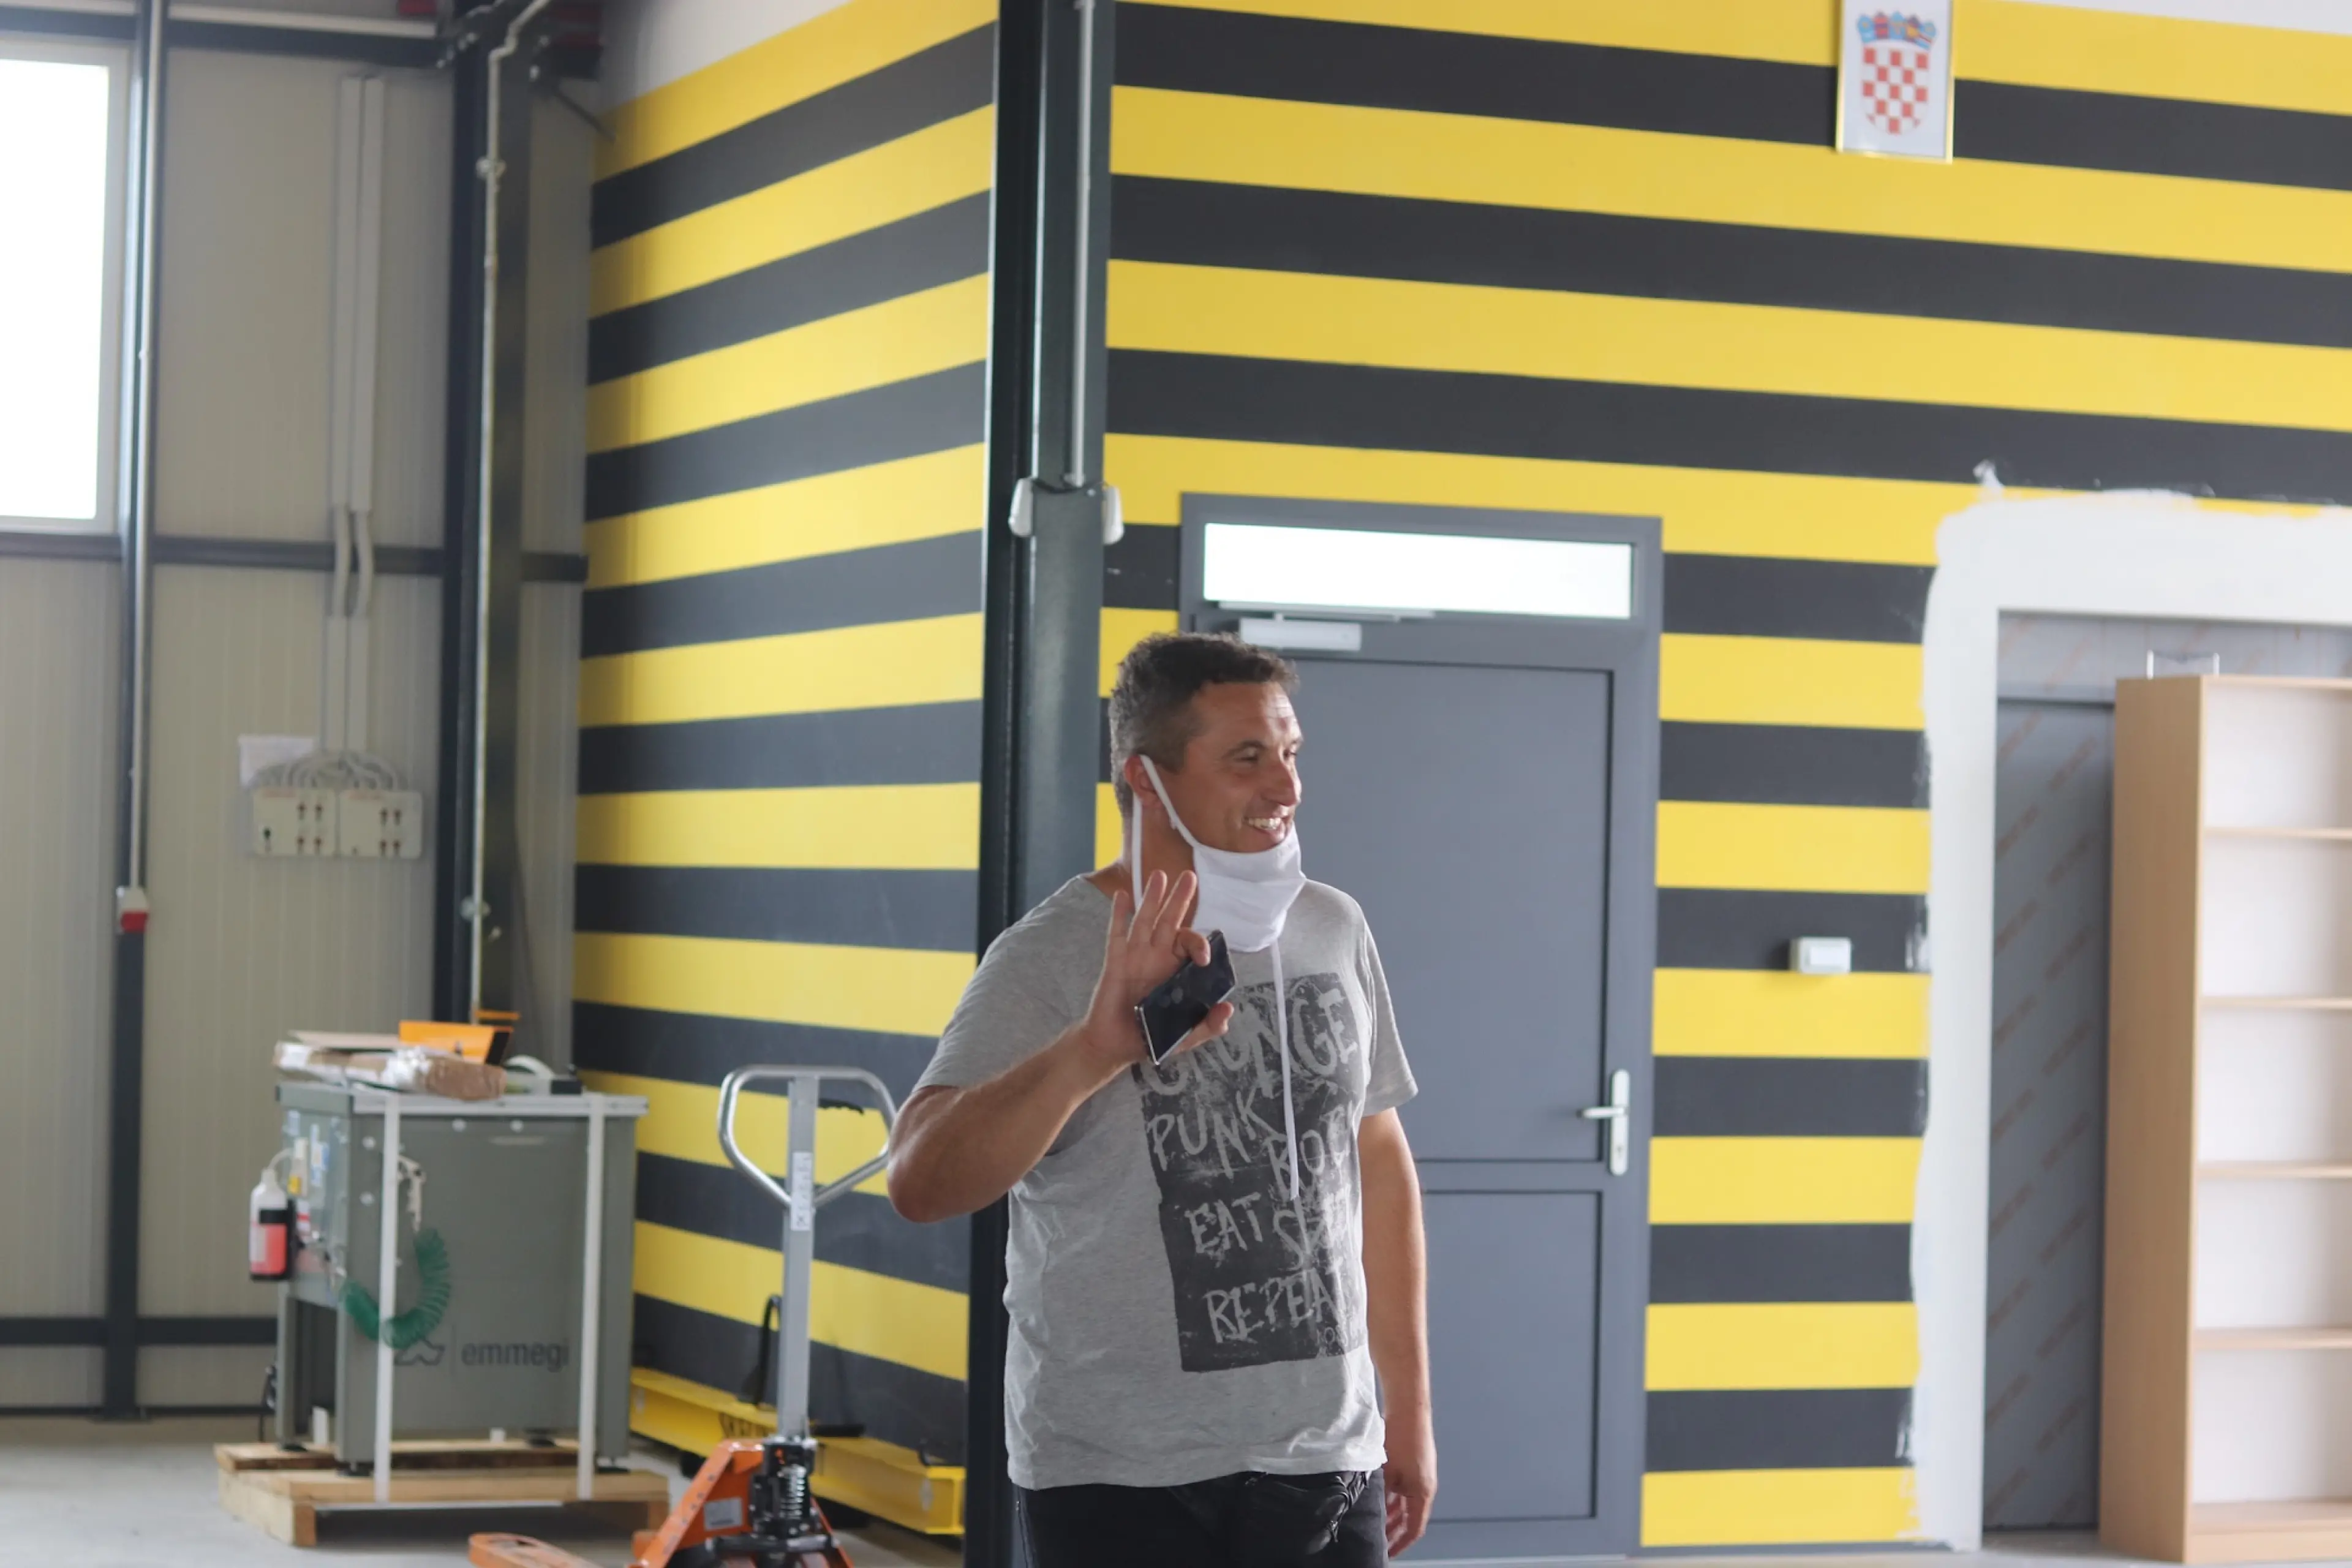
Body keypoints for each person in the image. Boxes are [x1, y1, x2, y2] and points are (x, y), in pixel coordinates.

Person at [888, 632, 1434, 1566]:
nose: (1287, 786)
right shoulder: (1053, 953)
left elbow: (1377, 1163)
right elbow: (920, 1180)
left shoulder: (1333, 927)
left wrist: (1407, 1414)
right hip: (1121, 1475)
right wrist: (1095, 1048)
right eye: (1247, 758)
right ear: (1147, 779)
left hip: (1325, 1461)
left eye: (1291, 752)